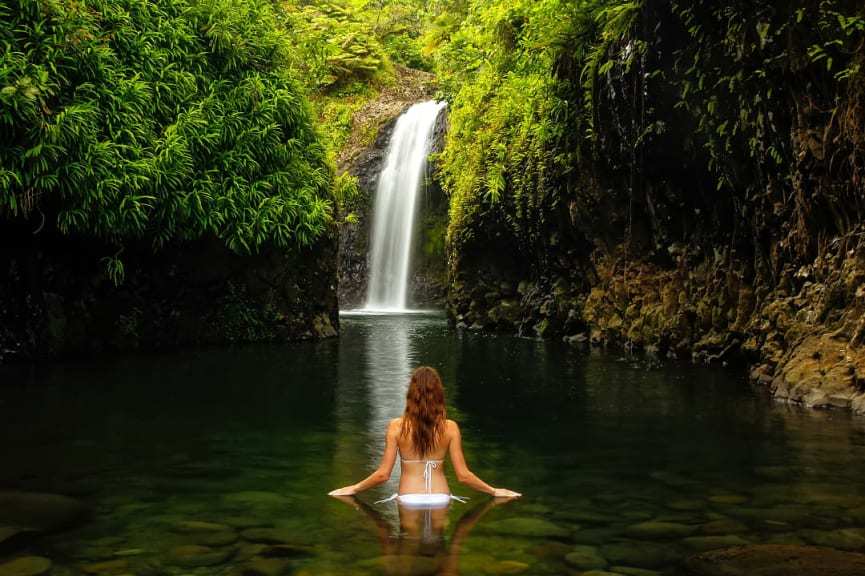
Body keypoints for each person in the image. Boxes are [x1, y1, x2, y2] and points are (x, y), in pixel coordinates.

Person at [328, 365, 521, 505]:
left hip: (408, 498)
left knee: (408, 552)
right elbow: (463, 476)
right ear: (439, 394)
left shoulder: (396, 427)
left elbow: (383, 475)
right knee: (438, 551)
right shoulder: (450, 427)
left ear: (411, 393)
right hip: (440, 498)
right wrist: (493, 491)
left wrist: (353, 489)